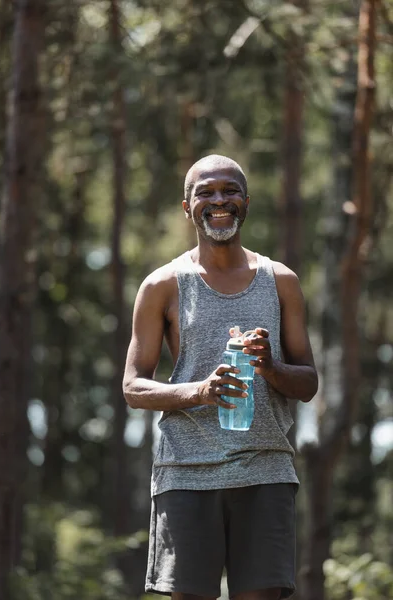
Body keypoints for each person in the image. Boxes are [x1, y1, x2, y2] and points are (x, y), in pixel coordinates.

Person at [123, 154, 318, 600]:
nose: (219, 201)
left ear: (245, 202)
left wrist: (270, 367)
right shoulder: (163, 285)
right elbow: (133, 386)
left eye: (229, 190)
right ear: (186, 206)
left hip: (266, 468)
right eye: (205, 192)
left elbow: (308, 383)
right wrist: (201, 391)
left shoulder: (281, 280)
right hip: (186, 473)